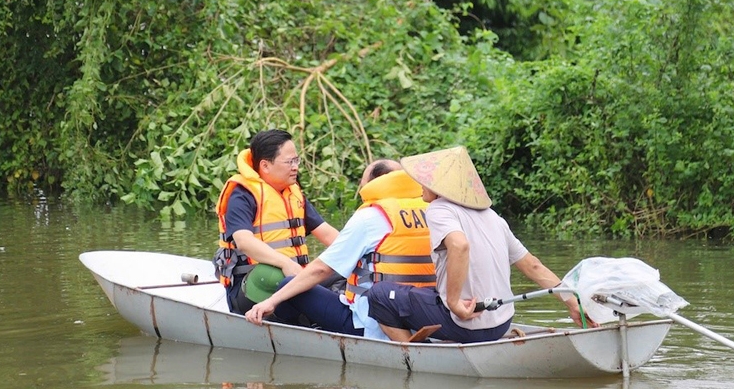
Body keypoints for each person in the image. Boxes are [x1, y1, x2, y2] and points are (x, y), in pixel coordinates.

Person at [367, 146, 596, 343]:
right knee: (425, 292)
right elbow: (532, 266)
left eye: (426, 181)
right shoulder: (492, 216)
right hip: (501, 324)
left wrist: (455, 303)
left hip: (466, 324)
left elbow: (459, 245)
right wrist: (571, 301)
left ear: (441, 188)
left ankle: (415, 356)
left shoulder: (439, 209)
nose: (420, 184)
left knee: (379, 294)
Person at [244, 159, 435, 338]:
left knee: (288, 285)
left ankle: (297, 331)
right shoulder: (431, 211)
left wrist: (271, 301)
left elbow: (321, 269)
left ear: (376, 184)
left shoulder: (371, 216)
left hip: (371, 324)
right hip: (422, 316)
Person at [215, 129, 339, 314]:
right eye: (290, 162)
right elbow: (244, 241)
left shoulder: (294, 195)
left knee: (339, 269)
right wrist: (285, 264)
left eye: (297, 160)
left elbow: (328, 234)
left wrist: (360, 257)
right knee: (273, 275)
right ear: (265, 166)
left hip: (293, 277)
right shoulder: (242, 195)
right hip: (251, 285)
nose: (296, 167)